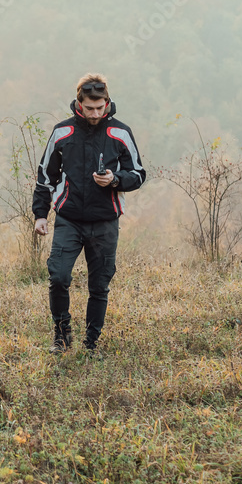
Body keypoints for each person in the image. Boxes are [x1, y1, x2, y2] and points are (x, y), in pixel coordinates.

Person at [32, 74, 145, 353]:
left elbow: (139, 174)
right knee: (58, 277)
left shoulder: (120, 132)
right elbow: (46, 176)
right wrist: (41, 214)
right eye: (89, 108)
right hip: (68, 219)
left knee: (99, 285)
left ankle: (91, 343)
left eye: (100, 107)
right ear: (78, 103)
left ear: (107, 102)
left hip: (105, 222)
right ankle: (62, 334)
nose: (95, 113)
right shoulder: (62, 132)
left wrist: (116, 179)